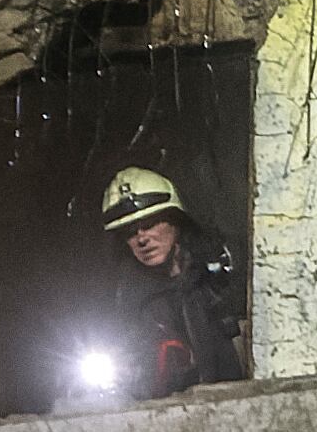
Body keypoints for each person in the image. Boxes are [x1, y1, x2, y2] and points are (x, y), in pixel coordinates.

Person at [92, 166, 247, 397]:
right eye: (130, 232)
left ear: (175, 219)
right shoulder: (127, 307)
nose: (142, 238)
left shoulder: (221, 278)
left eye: (150, 223)